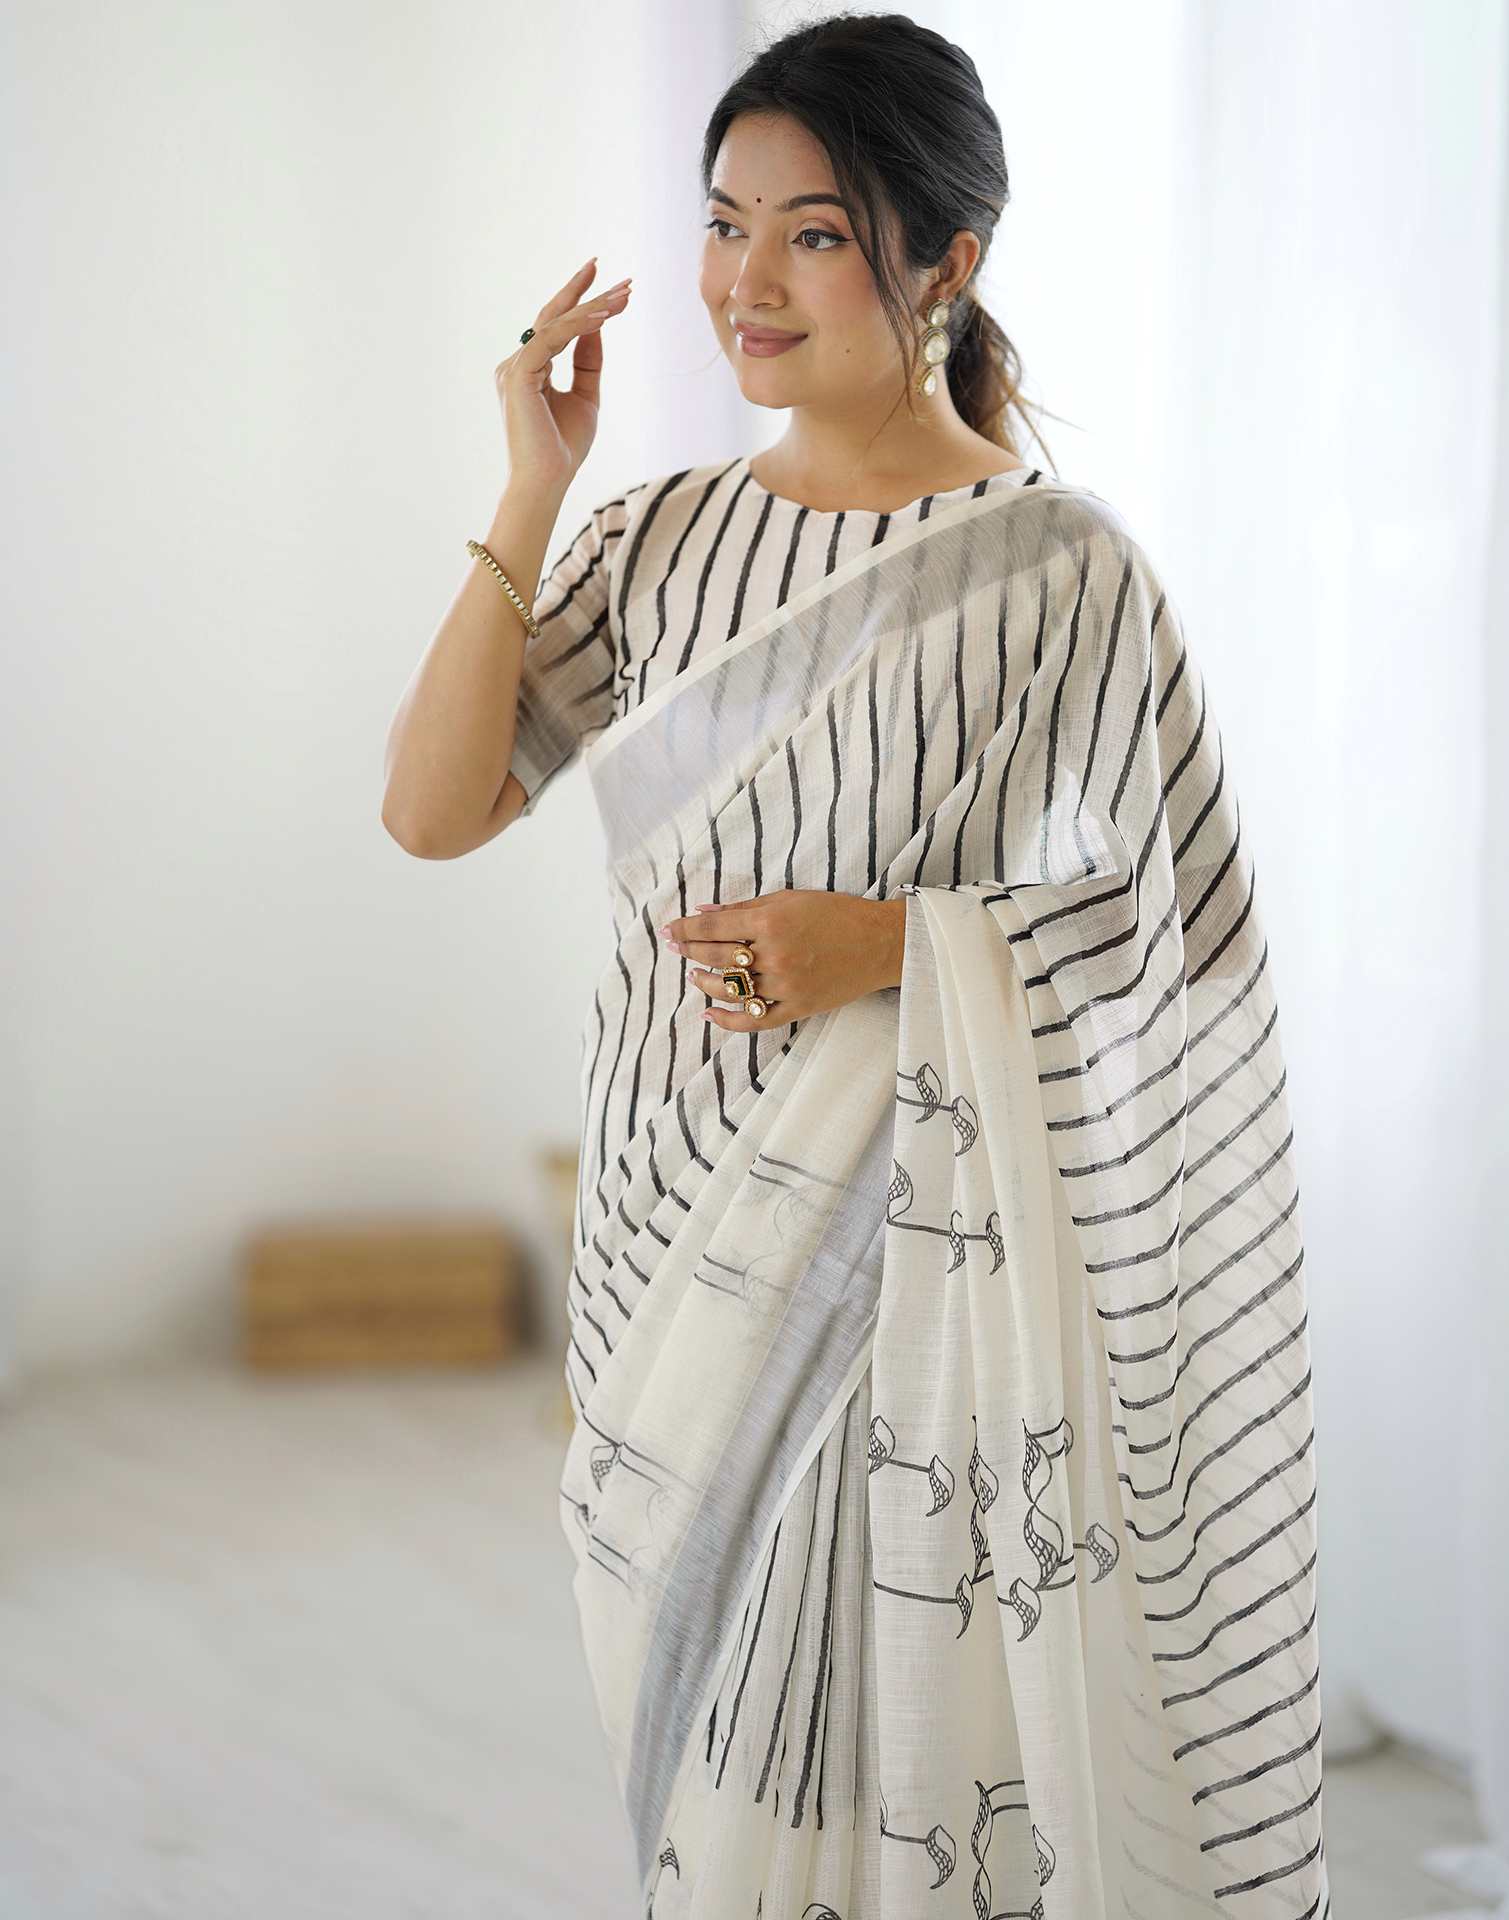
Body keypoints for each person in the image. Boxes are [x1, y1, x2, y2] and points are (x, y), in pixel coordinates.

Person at [381, 15, 1328, 1918]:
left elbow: (1179, 941)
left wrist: (889, 945)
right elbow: (430, 808)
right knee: (714, 1759)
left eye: (811, 234)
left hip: (926, 1268)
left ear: (945, 259)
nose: (744, 280)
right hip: (670, 1242)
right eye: (722, 223)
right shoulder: (658, 537)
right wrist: (530, 485)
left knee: (896, 1752)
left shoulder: (1055, 571)